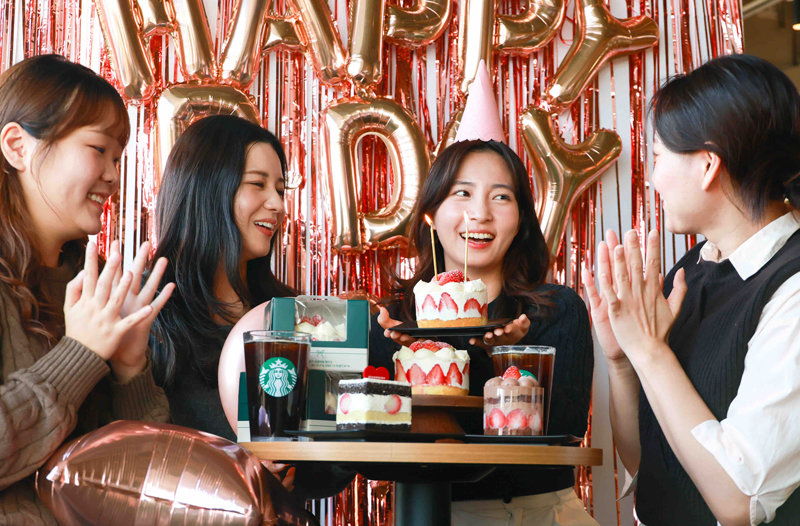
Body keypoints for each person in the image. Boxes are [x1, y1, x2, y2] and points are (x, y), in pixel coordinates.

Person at [583, 54, 800, 525]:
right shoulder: (692, 270)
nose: (652, 178)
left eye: (658, 157)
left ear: (707, 165)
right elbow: (651, 462)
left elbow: (738, 501)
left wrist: (651, 352)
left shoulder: (792, 290)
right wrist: (624, 360)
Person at [370, 139, 596, 525]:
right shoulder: (395, 321)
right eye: (462, 193)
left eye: (501, 197)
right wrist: (420, 361)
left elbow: (567, 429)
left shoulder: (556, 310)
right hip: (430, 512)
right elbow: (379, 437)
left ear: (521, 218)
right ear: (431, 212)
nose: (480, 214)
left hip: (543, 514)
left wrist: (509, 361)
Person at [0, 54, 173, 524]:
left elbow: (147, 485)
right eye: (98, 149)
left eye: (118, 157)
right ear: (17, 146)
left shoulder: (90, 288)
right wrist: (80, 354)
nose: (113, 176)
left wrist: (130, 369)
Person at [149, 115, 295, 442]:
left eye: (280, 189)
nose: (278, 204)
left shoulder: (287, 313)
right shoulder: (151, 314)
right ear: (206, 188)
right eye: (257, 184)